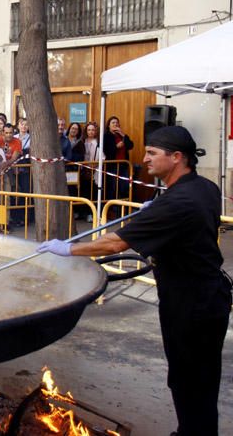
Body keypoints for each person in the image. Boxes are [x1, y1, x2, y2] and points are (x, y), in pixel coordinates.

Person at [38, 126, 231, 436]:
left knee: (189, 379)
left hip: (192, 304)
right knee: (201, 379)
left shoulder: (177, 203)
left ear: (177, 157)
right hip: (209, 296)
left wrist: (69, 249)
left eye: (153, 153)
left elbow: (114, 244)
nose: (144, 159)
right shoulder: (204, 187)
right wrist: (157, 208)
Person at [103, 115, 134, 201]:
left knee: (124, 187)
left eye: (117, 123)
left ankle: (123, 207)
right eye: (113, 123)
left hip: (123, 165)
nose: (115, 124)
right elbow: (106, 151)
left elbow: (131, 146)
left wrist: (123, 134)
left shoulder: (122, 136)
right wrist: (116, 147)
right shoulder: (106, 136)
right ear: (109, 125)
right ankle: (113, 209)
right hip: (112, 166)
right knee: (113, 188)